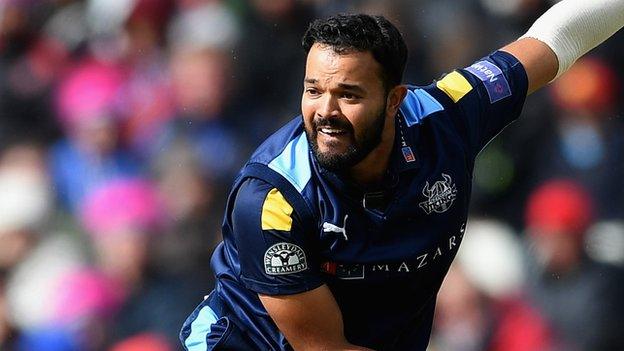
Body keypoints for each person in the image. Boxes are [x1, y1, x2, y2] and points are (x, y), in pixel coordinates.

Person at [180, 1, 624, 350]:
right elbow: (325, 348)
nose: (325, 112)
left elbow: (556, 39)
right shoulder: (272, 200)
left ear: (396, 99)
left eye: (348, 94)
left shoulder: (446, 114)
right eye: (313, 90)